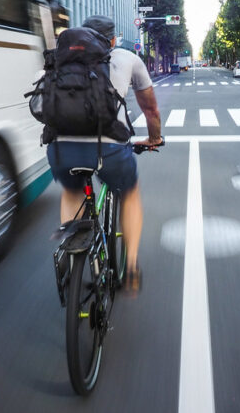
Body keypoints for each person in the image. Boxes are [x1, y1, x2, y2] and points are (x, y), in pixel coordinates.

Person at [46, 15, 162, 292]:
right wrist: (154, 138)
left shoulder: (58, 59)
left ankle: (73, 256)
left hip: (62, 150)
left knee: (72, 191)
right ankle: (131, 265)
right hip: (109, 149)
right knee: (129, 192)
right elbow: (151, 109)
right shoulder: (126, 58)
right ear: (112, 40)